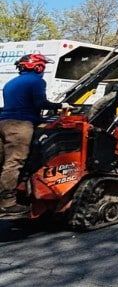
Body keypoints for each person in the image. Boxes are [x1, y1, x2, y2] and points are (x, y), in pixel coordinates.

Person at [0, 54, 70, 216]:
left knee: (2, 160)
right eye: (42, 66)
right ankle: (8, 202)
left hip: (3, 122)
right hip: (20, 125)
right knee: (14, 161)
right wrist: (60, 105)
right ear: (37, 67)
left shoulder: (11, 82)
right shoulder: (37, 81)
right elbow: (40, 103)